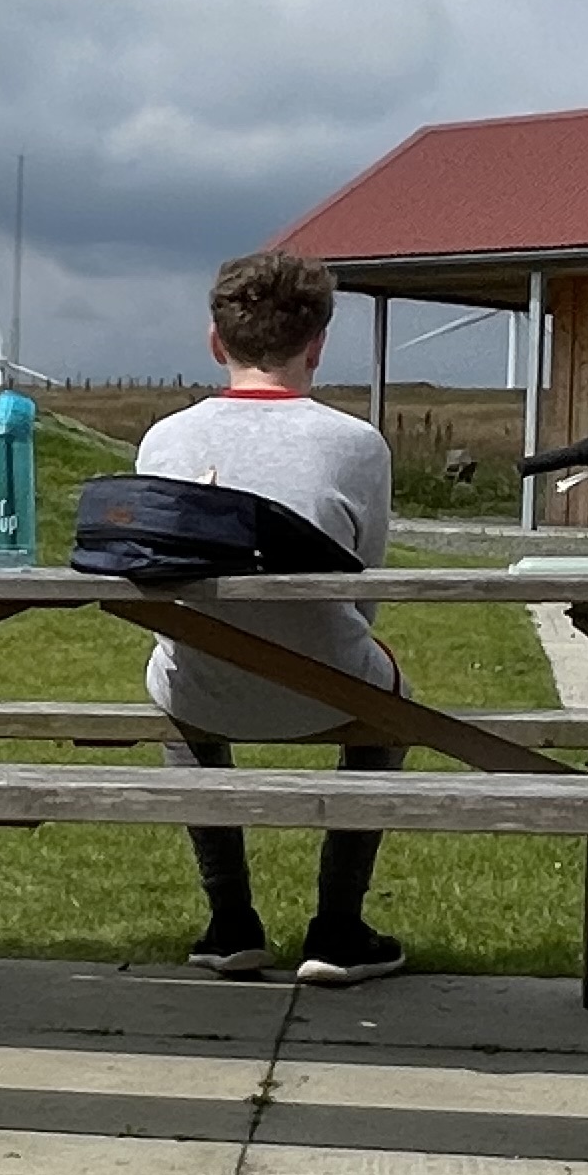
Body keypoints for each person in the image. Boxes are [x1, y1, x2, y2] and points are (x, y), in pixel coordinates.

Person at [136, 250, 405, 986]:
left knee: (171, 677)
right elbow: (365, 587)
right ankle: (339, 925)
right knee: (390, 701)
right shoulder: (355, 445)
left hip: (205, 688)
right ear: (317, 343)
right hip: (328, 688)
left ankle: (230, 919)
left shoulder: (165, 439)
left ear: (216, 341)